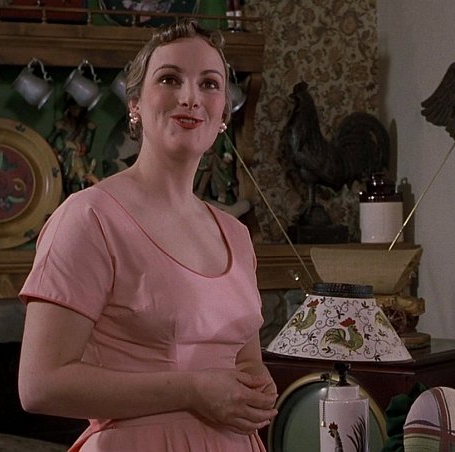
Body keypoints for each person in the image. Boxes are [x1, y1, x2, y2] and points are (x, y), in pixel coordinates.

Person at [17, 19, 278, 451]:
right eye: (170, 79)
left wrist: (258, 386)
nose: (190, 97)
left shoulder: (235, 233)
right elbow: (39, 385)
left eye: (209, 84)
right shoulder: (89, 218)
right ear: (135, 104)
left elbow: (245, 359)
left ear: (223, 114)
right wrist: (192, 390)